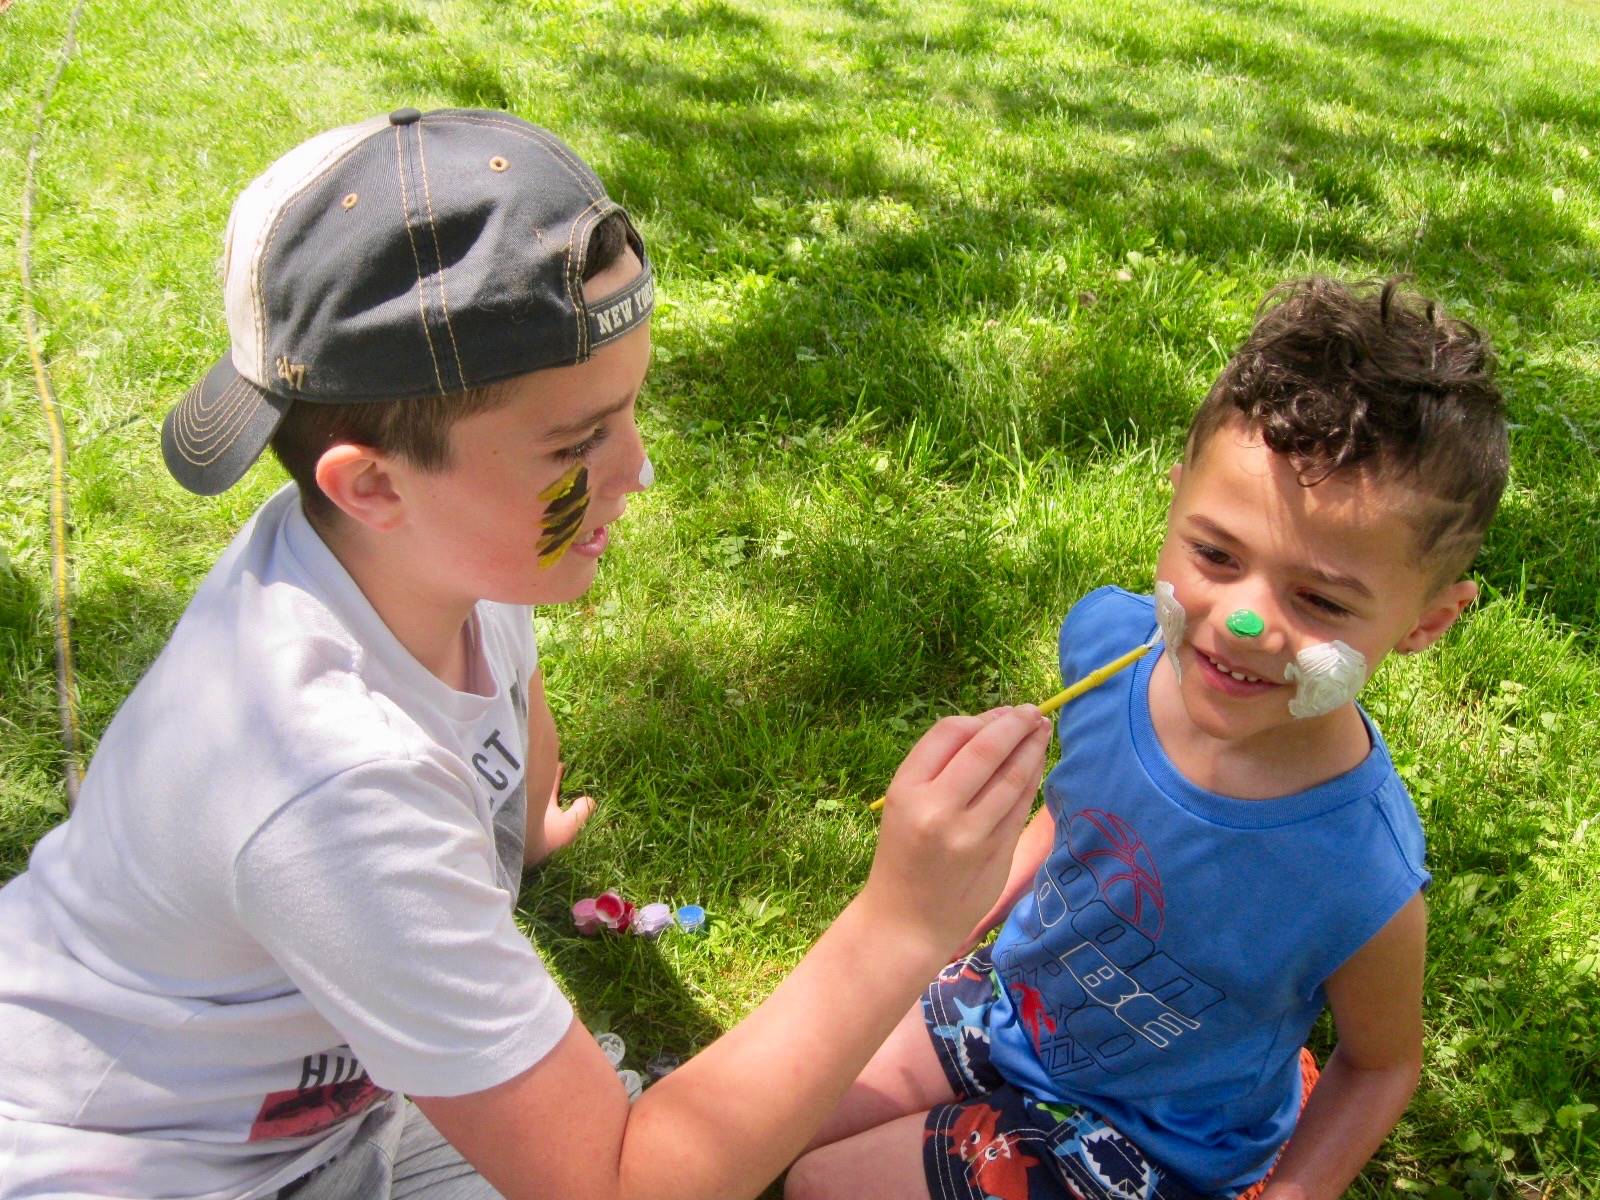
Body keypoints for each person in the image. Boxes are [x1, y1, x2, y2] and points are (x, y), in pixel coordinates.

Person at [0, 108, 1053, 1200]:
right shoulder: (331, 780)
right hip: (136, 1157)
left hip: (335, 1116)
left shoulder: (439, 556)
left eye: (628, 409)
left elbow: (509, 683)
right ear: (373, 483)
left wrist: (519, 820)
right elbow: (618, 1188)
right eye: (577, 443)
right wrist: (902, 926)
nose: (637, 471)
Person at [787, 277, 1508, 1200]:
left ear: (1427, 621)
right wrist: (945, 925)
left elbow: (1379, 1066)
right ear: (1173, 507)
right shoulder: (1108, 646)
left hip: (1153, 1137)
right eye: (1216, 555)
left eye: (1320, 598)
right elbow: (1075, 819)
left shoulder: (1359, 868)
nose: (1243, 622)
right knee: (782, 1121)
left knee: (827, 1186)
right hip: (1013, 1006)